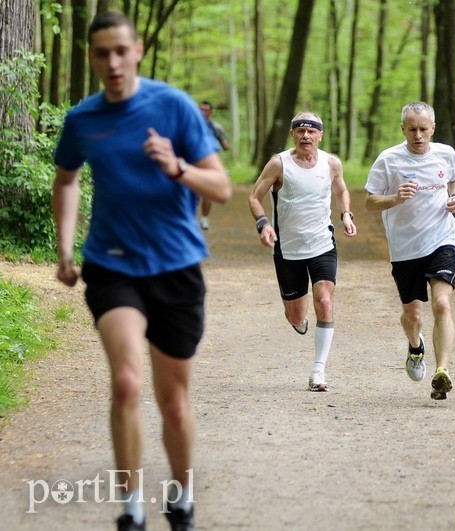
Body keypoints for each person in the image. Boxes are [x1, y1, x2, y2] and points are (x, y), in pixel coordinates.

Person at [51, 12, 231, 531]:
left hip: (176, 268)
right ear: (91, 57)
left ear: (138, 51)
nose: (112, 62)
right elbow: (66, 180)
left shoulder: (172, 107)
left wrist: (177, 166)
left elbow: (219, 189)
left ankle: (182, 498)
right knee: (127, 382)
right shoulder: (82, 119)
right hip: (112, 265)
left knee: (174, 404)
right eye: (101, 53)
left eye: (120, 51)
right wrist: (66, 249)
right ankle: (130, 509)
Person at [248, 112, 357, 392]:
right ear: (292, 135)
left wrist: (346, 214)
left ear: (320, 135)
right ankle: (298, 318)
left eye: (311, 131)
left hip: (323, 244)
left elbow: (342, 190)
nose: (306, 136)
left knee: (325, 299)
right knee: (296, 317)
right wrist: (263, 225)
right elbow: (254, 196)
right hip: (288, 249)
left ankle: (318, 371)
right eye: (300, 131)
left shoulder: (331, 163)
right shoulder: (278, 164)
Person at [364, 101, 455, 400]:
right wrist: (394, 198)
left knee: (443, 305)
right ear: (403, 129)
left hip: (442, 238)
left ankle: (442, 371)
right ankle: (415, 346)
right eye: (412, 129)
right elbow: (369, 201)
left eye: (423, 129)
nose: (418, 135)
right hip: (405, 248)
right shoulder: (388, 159)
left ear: (433, 128)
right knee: (413, 315)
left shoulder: (446, 153)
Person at [198, 101, 229, 231]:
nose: (203, 112)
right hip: (192, 162)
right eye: (201, 109)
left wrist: (222, 143)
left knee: (207, 193)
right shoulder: (190, 125)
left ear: (210, 112)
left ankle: (204, 220)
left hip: (209, 164)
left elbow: (225, 145)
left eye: (206, 110)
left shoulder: (215, 127)